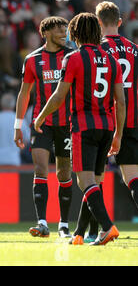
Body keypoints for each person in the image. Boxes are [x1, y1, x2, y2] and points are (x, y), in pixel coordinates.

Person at [34, 13, 126, 246]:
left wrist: (41, 117)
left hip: (84, 127)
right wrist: (118, 134)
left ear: (76, 33)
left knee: (85, 183)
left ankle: (107, 227)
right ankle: (78, 233)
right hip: (107, 126)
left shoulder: (73, 58)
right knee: (94, 181)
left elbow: (58, 96)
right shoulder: (111, 60)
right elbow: (121, 102)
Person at [75, 1, 138, 243]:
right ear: (120, 22)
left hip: (103, 120)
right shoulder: (135, 49)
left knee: (91, 177)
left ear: (97, 23)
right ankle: (82, 233)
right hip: (133, 119)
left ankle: (96, 230)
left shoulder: (96, 50)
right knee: (129, 178)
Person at [14, 16, 74, 238]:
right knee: (40, 169)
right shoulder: (32, 59)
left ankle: (64, 224)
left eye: (65, 30)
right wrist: (17, 125)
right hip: (41, 123)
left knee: (63, 173)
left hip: (67, 124)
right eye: (60, 30)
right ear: (46, 33)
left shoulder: (71, 56)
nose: (64, 34)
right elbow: (24, 93)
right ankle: (42, 223)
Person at [0, 92, 27, 166]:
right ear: (15, 104)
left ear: (1, 104)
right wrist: (18, 150)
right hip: (13, 159)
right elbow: (26, 140)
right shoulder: (21, 120)